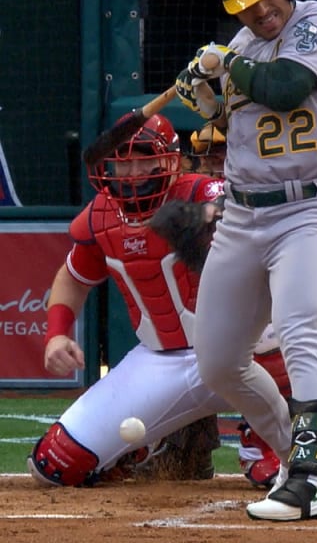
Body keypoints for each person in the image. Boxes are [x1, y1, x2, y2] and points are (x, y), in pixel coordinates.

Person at [175, 0, 317, 522]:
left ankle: (313, 474)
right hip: (243, 214)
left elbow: (285, 87)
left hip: (308, 207)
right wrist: (202, 95)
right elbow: (225, 116)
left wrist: (225, 63)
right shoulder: (243, 45)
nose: (259, 12)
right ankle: (290, 462)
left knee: (301, 331)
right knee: (219, 361)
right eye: (245, 4)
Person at [183, 124, 317, 488]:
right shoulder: (191, 195)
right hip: (239, 295)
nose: (215, 163)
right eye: (208, 156)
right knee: (199, 336)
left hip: (300, 283)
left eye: (223, 153)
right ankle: (186, 449)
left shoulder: (280, 181)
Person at [27, 114, 229, 486]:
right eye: (123, 160)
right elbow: (72, 278)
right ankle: (143, 449)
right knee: (54, 465)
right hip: (160, 359)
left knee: (277, 468)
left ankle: (270, 443)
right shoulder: (101, 216)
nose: (134, 171)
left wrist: (209, 218)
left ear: (169, 161)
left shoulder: (204, 193)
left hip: (235, 349)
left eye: (144, 158)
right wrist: (56, 334)